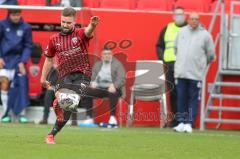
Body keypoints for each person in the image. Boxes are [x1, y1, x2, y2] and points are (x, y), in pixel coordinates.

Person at [40, 7, 99, 144]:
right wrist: (43, 78)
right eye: (63, 22)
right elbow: (49, 59)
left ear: (74, 21)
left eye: (68, 22)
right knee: (68, 103)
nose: (65, 25)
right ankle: (51, 134)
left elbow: (88, 31)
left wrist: (93, 25)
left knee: (71, 102)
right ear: (60, 20)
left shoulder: (80, 34)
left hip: (82, 74)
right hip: (65, 74)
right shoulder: (54, 39)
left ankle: (52, 131)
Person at [173, 12, 215, 133]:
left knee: (193, 99)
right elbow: (176, 49)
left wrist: (200, 64)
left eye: (196, 19)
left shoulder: (206, 35)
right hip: (181, 72)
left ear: (199, 20)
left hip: (196, 74)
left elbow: (211, 54)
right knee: (180, 98)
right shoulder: (181, 32)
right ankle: (180, 122)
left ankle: (189, 123)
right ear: (188, 19)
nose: (194, 21)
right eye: (192, 19)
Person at [156, 7, 187, 127]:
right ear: (173, 16)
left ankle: (186, 120)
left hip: (185, 65)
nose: (179, 16)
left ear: (185, 15)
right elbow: (159, 46)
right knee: (173, 93)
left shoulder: (188, 28)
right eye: (177, 14)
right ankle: (176, 121)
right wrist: (162, 59)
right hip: (170, 64)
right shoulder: (167, 28)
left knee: (185, 92)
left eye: (181, 14)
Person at [0, 9, 32, 123]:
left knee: (21, 85)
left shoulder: (26, 27)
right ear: (9, 15)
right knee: (4, 83)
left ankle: (21, 114)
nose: (16, 17)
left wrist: (23, 61)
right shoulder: (2, 24)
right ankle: (6, 113)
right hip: (5, 61)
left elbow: (28, 46)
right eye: (14, 15)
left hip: (19, 61)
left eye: (18, 15)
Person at [81, 47, 126, 126]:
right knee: (87, 91)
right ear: (101, 55)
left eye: (108, 54)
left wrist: (114, 85)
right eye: (105, 54)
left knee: (113, 92)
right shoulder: (97, 65)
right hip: (100, 88)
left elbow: (122, 78)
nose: (107, 56)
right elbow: (92, 77)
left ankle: (113, 117)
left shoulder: (117, 64)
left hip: (114, 88)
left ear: (111, 55)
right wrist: (93, 83)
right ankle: (89, 117)